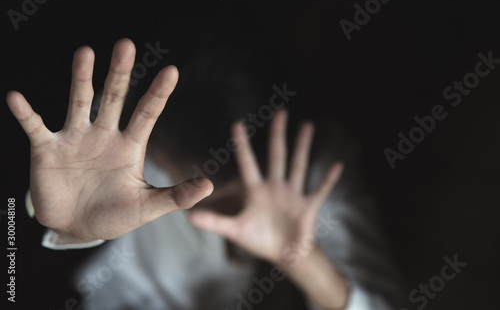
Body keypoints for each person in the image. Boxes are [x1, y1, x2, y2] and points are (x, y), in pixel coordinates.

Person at [7, 39, 407, 309]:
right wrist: (67, 232)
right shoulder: (109, 136)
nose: (155, 172)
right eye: (161, 164)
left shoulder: (314, 165)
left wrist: (304, 262)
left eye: (222, 194)